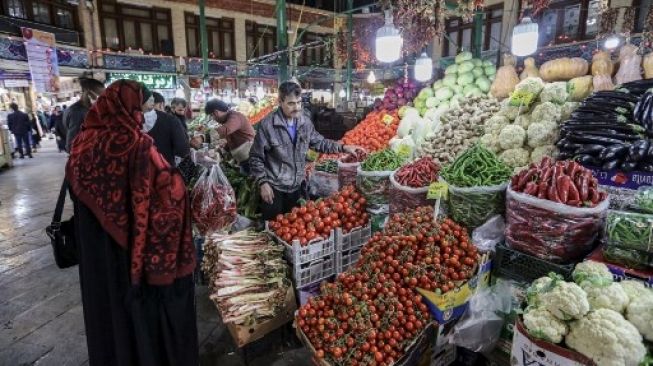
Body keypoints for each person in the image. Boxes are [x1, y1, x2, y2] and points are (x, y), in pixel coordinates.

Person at [66, 79, 198, 366]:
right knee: (139, 320)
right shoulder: (136, 146)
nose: (142, 114)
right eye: (139, 108)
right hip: (131, 256)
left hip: (97, 255)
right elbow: (165, 198)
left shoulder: (81, 143)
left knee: (108, 314)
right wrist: (180, 182)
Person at [250, 81, 360, 220]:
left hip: (297, 188)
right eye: (291, 103)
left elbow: (319, 142)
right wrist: (262, 183)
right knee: (273, 231)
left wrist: (343, 147)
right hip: (274, 189)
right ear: (280, 102)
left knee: (293, 232)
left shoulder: (304, 122)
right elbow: (255, 157)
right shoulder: (268, 125)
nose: (296, 108)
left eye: (299, 102)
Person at [205, 99, 255, 173]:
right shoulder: (227, 119)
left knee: (254, 180)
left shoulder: (235, 117)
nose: (213, 119)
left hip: (251, 158)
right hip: (243, 160)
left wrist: (204, 137)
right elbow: (231, 139)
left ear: (216, 112)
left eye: (212, 116)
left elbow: (226, 129)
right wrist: (223, 152)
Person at [143, 92, 190, 166]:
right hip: (164, 170)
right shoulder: (171, 120)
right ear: (161, 104)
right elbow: (183, 151)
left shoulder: (129, 120)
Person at [63, 77, 105, 152]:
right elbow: (71, 143)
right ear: (90, 93)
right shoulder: (77, 111)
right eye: (101, 95)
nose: (103, 99)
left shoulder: (89, 109)